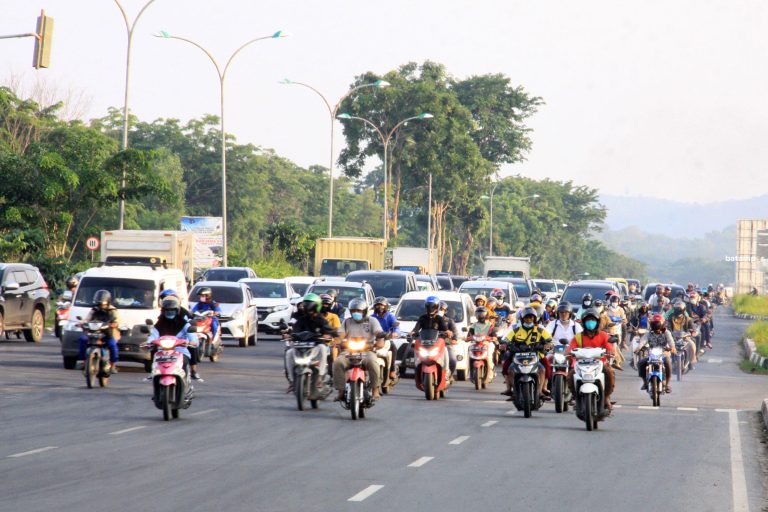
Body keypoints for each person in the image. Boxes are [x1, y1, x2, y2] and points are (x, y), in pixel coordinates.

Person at [333, 298, 384, 401]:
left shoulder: (372, 321)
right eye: (353, 311)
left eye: (359, 311)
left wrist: (380, 337)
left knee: (373, 363)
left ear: (364, 311)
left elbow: (378, 332)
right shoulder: (347, 322)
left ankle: (375, 390)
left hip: (367, 350)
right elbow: (340, 335)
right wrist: (336, 340)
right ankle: (341, 391)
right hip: (349, 351)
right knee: (338, 362)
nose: (356, 313)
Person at [284, 293, 336, 393]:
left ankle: (320, 377)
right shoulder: (301, 319)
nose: (308, 309)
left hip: (315, 348)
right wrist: (289, 335)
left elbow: (330, 331)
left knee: (323, 348)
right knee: (289, 353)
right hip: (301, 347)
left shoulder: (321, 320)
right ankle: (291, 381)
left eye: (310, 305)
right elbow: (294, 330)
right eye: (306, 305)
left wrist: (328, 335)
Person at [565, 308, 616, 409]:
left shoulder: (603, 335)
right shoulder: (578, 337)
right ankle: (576, 398)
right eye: (588, 320)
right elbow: (570, 348)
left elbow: (609, 347)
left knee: (610, 372)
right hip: (581, 364)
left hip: (599, 364)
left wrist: (610, 351)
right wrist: (567, 352)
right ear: (584, 323)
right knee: (570, 375)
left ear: (597, 322)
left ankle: (606, 397)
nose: (590, 322)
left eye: (592, 320)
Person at [502, 306, 552, 400]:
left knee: (545, 368)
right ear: (522, 318)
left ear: (534, 318)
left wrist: (547, 345)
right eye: (527, 317)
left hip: (536, 355)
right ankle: (511, 389)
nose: (529, 319)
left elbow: (549, 340)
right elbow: (506, 339)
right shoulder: (516, 330)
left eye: (531, 317)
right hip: (517, 355)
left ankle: (542, 390)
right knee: (508, 368)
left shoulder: (540, 330)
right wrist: (504, 344)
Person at [409, 296, 453, 383]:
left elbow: (445, 329)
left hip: (437, 343)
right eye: (429, 306)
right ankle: (417, 369)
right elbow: (416, 328)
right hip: (424, 343)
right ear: (426, 307)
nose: (431, 308)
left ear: (437, 307)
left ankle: (447, 371)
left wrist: (448, 332)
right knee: (415, 351)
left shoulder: (439, 318)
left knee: (446, 351)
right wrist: (412, 333)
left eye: (433, 306)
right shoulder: (422, 318)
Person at [149, 297, 195, 379]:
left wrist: (192, 341)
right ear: (163, 311)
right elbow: (153, 335)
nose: (169, 312)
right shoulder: (159, 323)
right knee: (153, 352)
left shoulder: (184, 323)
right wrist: (149, 342)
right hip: (162, 350)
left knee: (185, 361)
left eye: (172, 310)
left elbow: (191, 335)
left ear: (177, 310)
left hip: (181, 350)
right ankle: (154, 374)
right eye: (167, 310)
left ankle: (186, 378)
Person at [77, 290, 120, 374]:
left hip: (107, 334)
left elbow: (117, 321)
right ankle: (84, 362)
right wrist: (81, 323)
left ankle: (113, 365)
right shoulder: (94, 309)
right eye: (99, 304)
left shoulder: (113, 310)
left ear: (107, 301)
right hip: (93, 333)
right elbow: (87, 319)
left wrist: (113, 324)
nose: (101, 306)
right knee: (82, 339)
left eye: (103, 304)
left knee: (112, 344)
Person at [635, 314, 675, 393]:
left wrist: (672, 347)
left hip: (664, 354)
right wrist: (639, 348)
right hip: (651, 354)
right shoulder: (649, 333)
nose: (657, 325)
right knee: (641, 363)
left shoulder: (666, 332)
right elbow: (643, 340)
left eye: (658, 323)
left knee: (668, 363)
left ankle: (667, 384)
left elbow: (671, 341)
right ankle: (645, 383)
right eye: (655, 323)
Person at [371, 296, 399, 382]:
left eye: (382, 305)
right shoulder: (371, 317)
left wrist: (395, 333)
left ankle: (392, 370)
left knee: (394, 349)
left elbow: (396, 326)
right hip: (374, 340)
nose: (379, 307)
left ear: (386, 306)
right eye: (377, 305)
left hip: (386, 340)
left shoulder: (390, 316)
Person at [467, 306, 498, 377]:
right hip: (475, 343)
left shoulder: (490, 325)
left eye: (482, 314)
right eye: (479, 314)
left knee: (489, 357)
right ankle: (469, 371)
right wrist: (467, 338)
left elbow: (493, 335)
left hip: (487, 343)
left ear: (486, 314)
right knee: (468, 352)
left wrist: (493, 338)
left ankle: (491, 372)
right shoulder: (473, 325)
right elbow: (469, 334)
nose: (480, 316)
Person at [667, 300, 698, 367]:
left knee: (692, 345)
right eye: (676, 309)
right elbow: (667, 327)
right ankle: (666, 363)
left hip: (685, 338)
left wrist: (693, 332)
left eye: (679, 309)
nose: (678, 311)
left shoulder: (688, 319)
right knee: (665, 348)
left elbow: (692, 327)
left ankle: (691, 362)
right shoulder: (670, 318)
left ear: (683, 310)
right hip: (673, 338)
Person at [320, 294, 342, 362]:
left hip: (330, 343)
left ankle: (332, 369)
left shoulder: (334, 317)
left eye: (327, 304)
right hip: (316, 342)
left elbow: (337, 330)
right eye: (323, 304)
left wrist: (330, 336)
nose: (325, 306)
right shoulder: (315, 316)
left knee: (333, 352)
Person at [439, 301, 458, 378]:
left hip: (446, 344)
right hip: (432, 344)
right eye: (437, 309)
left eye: (441, 309)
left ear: (445, 311)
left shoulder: (449, 321)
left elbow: (455, 332)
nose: (439, 311)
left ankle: (449, 376)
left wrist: (454, 339)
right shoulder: (430, 319)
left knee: (452, 359)